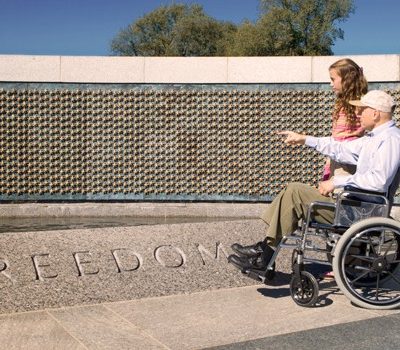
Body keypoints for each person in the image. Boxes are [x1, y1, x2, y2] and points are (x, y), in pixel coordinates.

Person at [228, 90, 400, 273]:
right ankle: (265, 250)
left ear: (375, 113)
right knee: (293, 190)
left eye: (362, 109)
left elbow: (379, 181)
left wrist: (336, 181)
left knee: (295, 192)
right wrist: (304, 139)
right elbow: (339, 148)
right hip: (353, 205)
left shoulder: (391, 140)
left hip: (361, 211)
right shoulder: (375, 138)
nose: (358, 114)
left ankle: (265, 255)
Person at [322, 58, 367, 182]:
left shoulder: (361, 104)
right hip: (336, 156)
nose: (331, 84)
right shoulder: (341, 104)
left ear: (347, 80)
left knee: (340, 196)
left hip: (347, 162)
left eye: (333, 79)